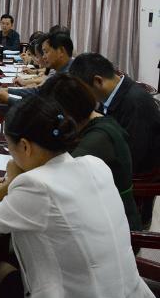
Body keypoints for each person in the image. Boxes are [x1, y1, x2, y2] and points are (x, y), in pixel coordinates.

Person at [0, 96, 154, 298]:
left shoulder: (37, 186)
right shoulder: (95, 164)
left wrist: (5, 188)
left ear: (25, 146)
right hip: (130, 294)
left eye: (10, 148)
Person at [39, 74, 142, 230]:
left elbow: (55, 181)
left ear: (66, 112)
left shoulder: (99, 139)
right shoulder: (92, 121)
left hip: (117, 227)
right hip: (97, 214)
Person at [69, 53, 160, 175]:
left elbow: (132, 158)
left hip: (138, 173)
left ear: (98, 81)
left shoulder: (136, 103)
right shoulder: (109, 94)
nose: (82, 96)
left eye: (83, 90)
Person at [0, 32, 74, 103]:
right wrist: (8, 90)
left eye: (46, 52)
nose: (43, 57)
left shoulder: (69, 76)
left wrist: (9, 99)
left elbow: (44, 107)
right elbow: (39, 91)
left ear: (61, 51)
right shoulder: (60, 70)